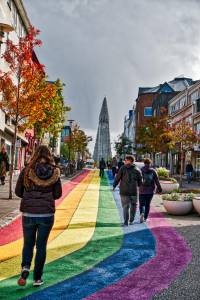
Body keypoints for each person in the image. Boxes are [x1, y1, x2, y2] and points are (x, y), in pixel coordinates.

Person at [15, 145, 62, 287]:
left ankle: (25, 268)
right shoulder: (54, 172)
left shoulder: (27, 170)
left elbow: (18, 191)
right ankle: (37, 278)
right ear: (49, 156)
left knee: (28, 243)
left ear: (35, 154)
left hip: (29, 213)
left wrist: (29, 197)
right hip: (46, 214)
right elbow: (57, 194)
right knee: (41, 246)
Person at [113, 155, 142, 226]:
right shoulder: (137, 169)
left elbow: (117, 178)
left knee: (125, 206)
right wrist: (138, 186)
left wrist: (114, 186)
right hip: (134, 191)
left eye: (126, 160)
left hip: (124, 191)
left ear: (130, 161)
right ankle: (131, 220)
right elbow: (140, 181)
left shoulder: (122, 168)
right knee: (133, 206)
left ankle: (126, 222)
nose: (124, 161)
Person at [139, 158, 162, 223]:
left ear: (144, 163)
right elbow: (157, 181)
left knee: (141, 204)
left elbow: (137, 180)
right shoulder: (153, 171)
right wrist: (159, 189)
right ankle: (145, 218)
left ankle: (141, 213)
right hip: (150, 190)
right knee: (147, 204)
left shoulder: (140, 170)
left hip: (142, 190)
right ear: (150, 163)